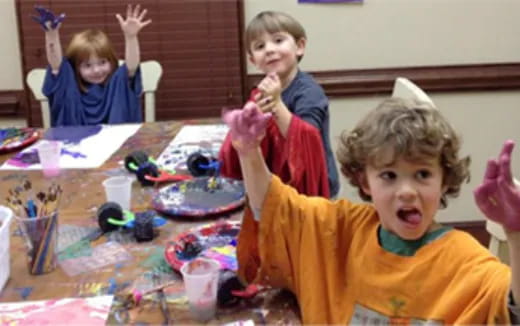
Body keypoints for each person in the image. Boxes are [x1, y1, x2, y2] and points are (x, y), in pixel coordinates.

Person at [222, 97, 520, 324]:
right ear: (365, 182)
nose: (406, 191)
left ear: (444, 181)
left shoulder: (463, 261)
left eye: (423, 174)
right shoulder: (339, 230)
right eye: (389, 176)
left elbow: (512, 307)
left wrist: (516, 232)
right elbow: (275, 209)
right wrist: (249, 152)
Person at [219, 11, 339, 198]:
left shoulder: (309, 92)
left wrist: (276, 104)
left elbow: (308, 140)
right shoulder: (261, 91)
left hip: (315, 189)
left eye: (278, 40)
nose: (269, 49)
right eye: (260, 46)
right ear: (253, 61)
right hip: (282, 184)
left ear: (300, 47)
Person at [33, 4, 151, 126]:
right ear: (76, 67)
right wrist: (51, 35)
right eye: (87, 65)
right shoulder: (68, 84)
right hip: (75, 143)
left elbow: (131, 68)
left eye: (102, 62)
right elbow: (56, 65)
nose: (96, 70)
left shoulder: (118, 83)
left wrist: (131, 37)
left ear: (111, 60)